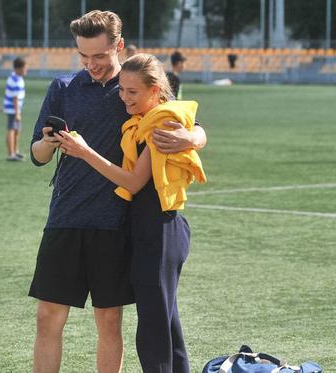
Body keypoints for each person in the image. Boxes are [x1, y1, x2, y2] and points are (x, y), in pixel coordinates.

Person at [28, 10, 206, 373]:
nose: (90, 64)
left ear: (118, 46)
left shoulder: (134, 87)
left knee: (109, 322)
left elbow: (192, 125)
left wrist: (191, 138)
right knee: (48, 318)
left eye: (98, 56)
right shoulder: (63, 88)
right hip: (65, 216)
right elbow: (36, 154)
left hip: (113, 223)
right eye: (83, 56)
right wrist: (48, 144)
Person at [3, 57, 27, 161]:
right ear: (18, 68)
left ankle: (15, 151)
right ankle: (11, 154)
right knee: (11, 130)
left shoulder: (17, 78)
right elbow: (15, 97)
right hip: (13, 109)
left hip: (15, 109)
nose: (26, 70)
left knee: (17, 130)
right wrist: (17, 113)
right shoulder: (15, 80)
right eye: (24, 68)